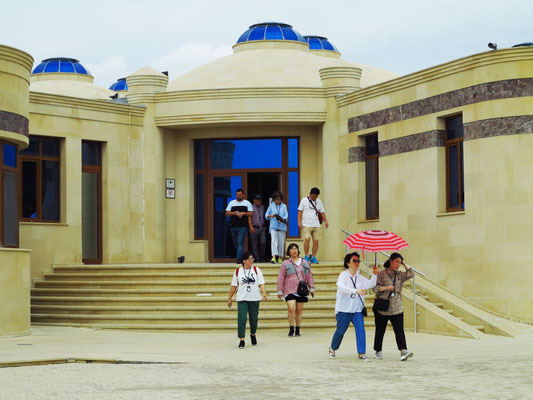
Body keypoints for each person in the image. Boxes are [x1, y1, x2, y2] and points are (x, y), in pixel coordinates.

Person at [328, 252, 377, 361]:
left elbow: (370, 284)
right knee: (341, 330)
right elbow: (341, 288)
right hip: (344, 309)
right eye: (354, 261)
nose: (357, 263)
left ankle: (361, 353)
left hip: (357, 309)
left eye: (358, 261)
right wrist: (356, 291)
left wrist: (374, 274)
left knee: (360, 330)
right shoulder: (343, 275)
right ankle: (332, 348)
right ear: (348, 263)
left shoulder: (360, 277)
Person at [372, 252, 415, 361]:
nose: (397, 264)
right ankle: (378, 350)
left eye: (399, 263)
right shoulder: (381, 273)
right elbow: (374, 288)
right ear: (390, 260)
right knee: (380, 330)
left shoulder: (400, 274)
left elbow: (411, 274)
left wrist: (405, 264)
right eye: (396, 261)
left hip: (396, 307)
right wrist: (386, 288)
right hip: (383, 307)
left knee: (399, 330)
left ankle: (403, 351)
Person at [227, 251, 267, 348]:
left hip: (254, 298)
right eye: (249, 259)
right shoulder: (238, 271)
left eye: (252, 259)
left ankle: (253, 334)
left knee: (254, 319)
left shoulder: (257, 270)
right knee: (242, 319)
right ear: (244, 261)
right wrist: (229, 298)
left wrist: (264, 293)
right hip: (242, 298)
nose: (251, 261)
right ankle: (242, 339)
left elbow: (261, 283)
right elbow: (234, 286)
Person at [277, 243, 315, 337]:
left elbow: (309, 276)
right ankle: (291, 328)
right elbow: (281, 277)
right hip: (289, 289)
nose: (294, 250)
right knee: (291, 309)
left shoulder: (304, 262)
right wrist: (279, 290)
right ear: (289, 252)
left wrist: (312, 287)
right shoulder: (285, 263)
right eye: (292, 249)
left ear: (298, 250)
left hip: (301, 289)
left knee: (299, 310)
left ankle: (297, 329)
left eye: (296, 249)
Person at [297, 187, 328, 264]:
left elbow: (322, 212)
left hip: (316, 224)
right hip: (306, 224)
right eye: (313, 196)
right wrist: (299, 222)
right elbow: (300, 212)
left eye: (316, 197)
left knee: (316, 241)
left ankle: (313, 257)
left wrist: (326, 221)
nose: (314, 198)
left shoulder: (319, 201)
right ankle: (306, 256)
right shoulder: (304, 200)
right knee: (307, 239)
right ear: (310, 194)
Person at [225, 188, 253, 264]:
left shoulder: (247, 203)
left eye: (240, 195)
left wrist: (243, 213)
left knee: (240, 242)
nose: (238, 196)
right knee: (235, 242)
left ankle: (238, 259)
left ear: (243, 195)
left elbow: (251, 213)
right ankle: (242, 255)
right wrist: (235, 213)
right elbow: (227, 213)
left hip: (243, 226)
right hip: (233, 226)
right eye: (237, 195)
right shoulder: (232, 203)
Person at [265, 192, 288, 264]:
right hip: (273, 227)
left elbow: (286, 215)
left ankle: (280, 257)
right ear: (274, 200)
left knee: (281, 243)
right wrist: (270, 215)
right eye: (276, 199)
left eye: (279, 199)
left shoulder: (284, 206)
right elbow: (266, 215)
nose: (278, 201)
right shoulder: (271, 206)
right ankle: (274, 257)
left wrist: (283, 219)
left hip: (282, 227)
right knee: (274, 242)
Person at [250, 194, 267, 262]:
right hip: (254, 227)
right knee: (254, 243)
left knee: (263, 242)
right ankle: (257, 258)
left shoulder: (263, 207)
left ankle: (262, 256)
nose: (258, 201)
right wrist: (251, 227)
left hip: (262, 227)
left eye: (259, 200)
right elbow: (249, 218)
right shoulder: (251, 207)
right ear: (254, 200)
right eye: (257, 200)